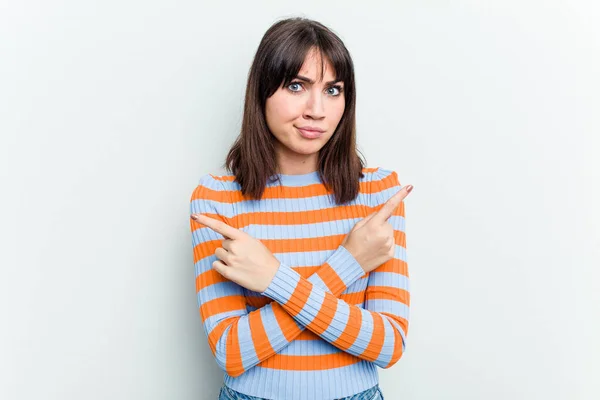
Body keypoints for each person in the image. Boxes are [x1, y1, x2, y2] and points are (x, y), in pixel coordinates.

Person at [189, 17, 413, 400]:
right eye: (297, 86)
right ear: (261, 92)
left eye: (333, 90)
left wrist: (273, 278)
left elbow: (388, 345)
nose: (316, 110)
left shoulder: (378, 193)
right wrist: (350, 263)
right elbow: (232, 351)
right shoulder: (216, 199)